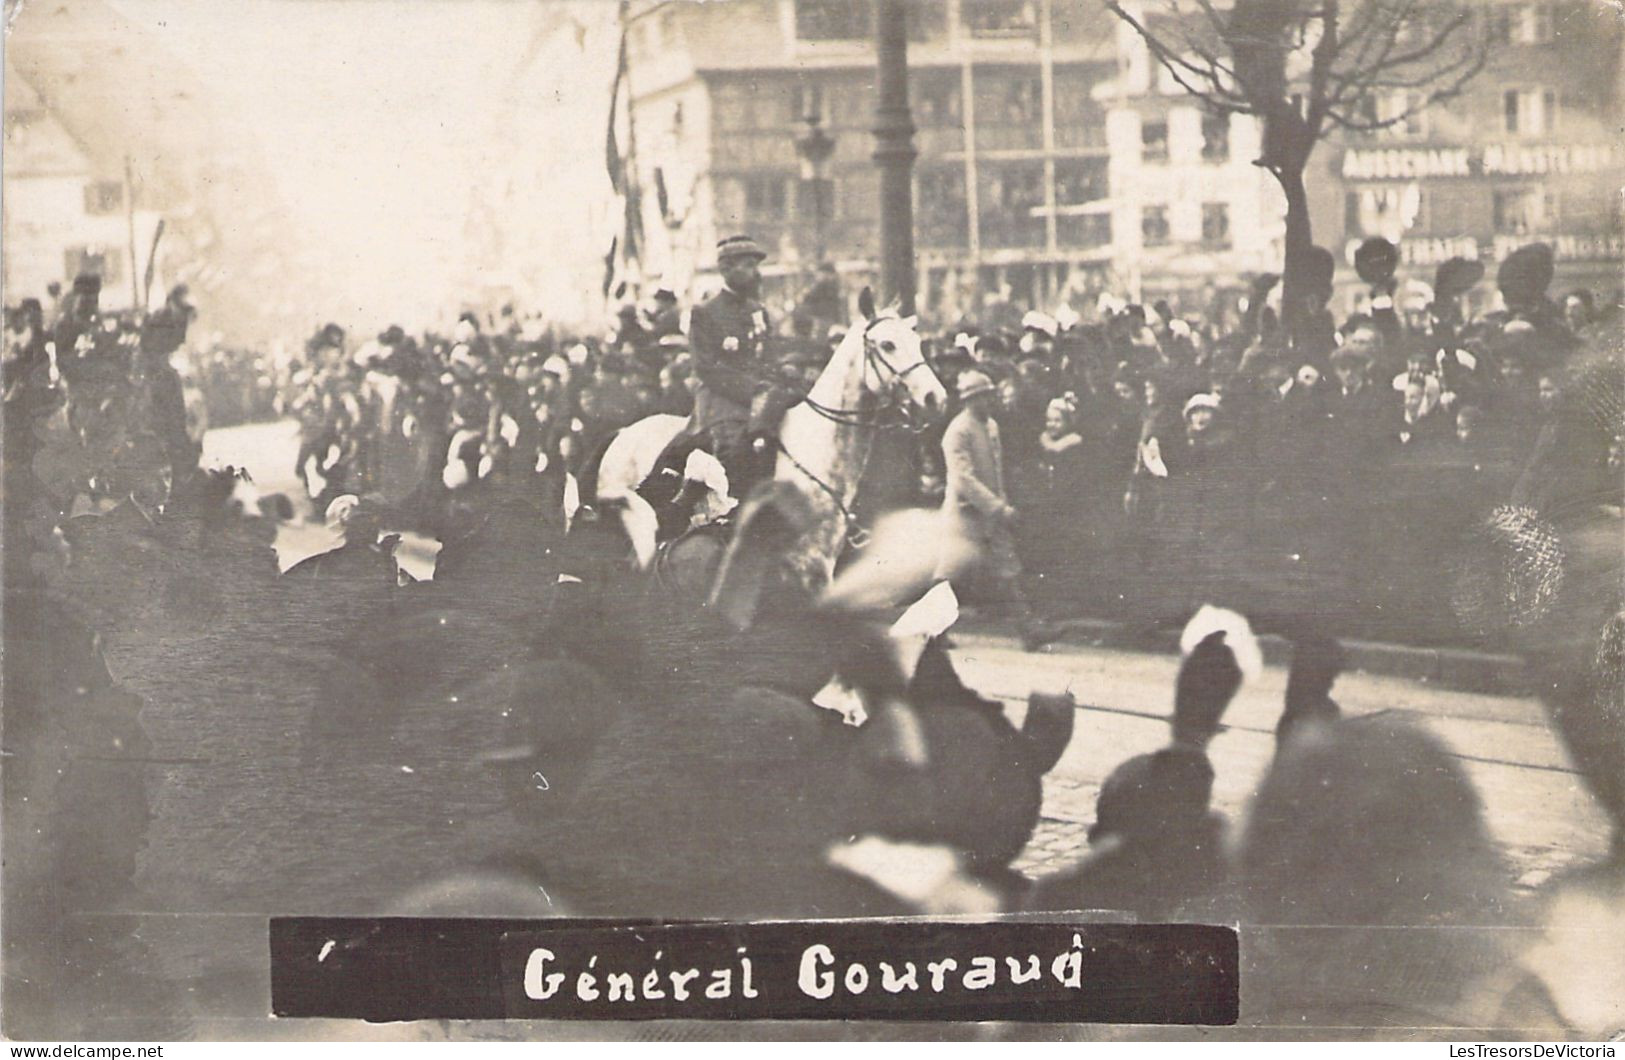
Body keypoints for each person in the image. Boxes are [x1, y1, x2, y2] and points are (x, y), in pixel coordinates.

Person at [934, 370, 1053, 648]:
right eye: (983, 397)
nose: (989, 402)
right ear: (969, 400)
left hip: (991, 512)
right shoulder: (958, 431)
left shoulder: (991, 426)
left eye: (990, 396)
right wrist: (997, 508)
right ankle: (934, 631)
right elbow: (963, 479)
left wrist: (1000, 505)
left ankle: (1029, 632)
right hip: (964, 514)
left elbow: (995, 471)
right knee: (951, 573)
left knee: (1008, 568)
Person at [686, 235, 780, 489]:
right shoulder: (705, 312)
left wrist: (779, 376)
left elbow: (769, 356)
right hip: (723, 404)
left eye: (756, 266)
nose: (756, 274)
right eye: (748, 266)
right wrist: (754, 390)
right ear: (726, 269)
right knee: (738, 457)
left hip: (761, 399)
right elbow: (706, 368)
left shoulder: (757, 311)